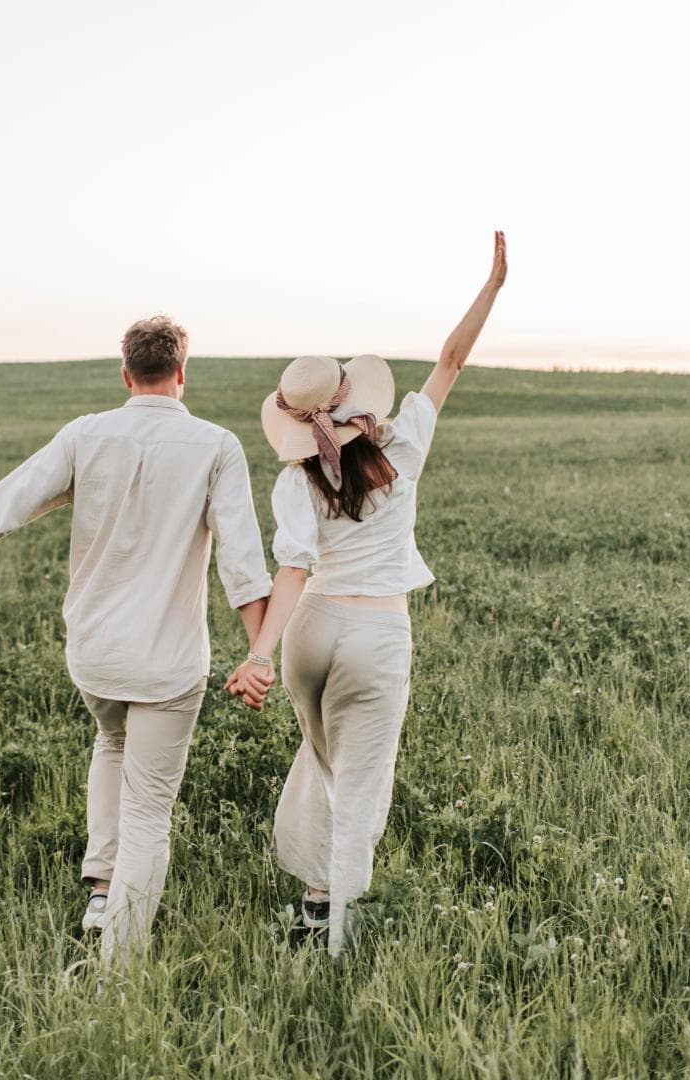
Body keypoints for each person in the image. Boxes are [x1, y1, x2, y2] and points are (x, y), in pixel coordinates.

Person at [0, 316, 273, 965]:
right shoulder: (215, 445)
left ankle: (103, 891)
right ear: (183, 372)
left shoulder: (87, 434)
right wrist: (257, 654)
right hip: (166, 663)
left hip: (96, 656)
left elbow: (1, 505)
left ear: (126, 373)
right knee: (149, 811)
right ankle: (119, 971)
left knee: (112, 740)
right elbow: (242, 564)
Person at [226, 232, 507, 954]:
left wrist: (261, 652)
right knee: (361, 783)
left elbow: (291, 566)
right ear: (354, 399)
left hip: (311, 634)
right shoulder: (403, 447)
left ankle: (316, 906)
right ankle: (337, 941)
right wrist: (493, 287)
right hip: (378, 634)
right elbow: (449, 361)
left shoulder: (295, 480)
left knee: (324, 762)